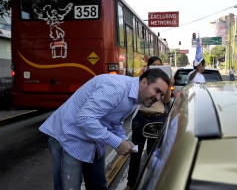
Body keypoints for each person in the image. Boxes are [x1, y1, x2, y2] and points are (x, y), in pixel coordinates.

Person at [39, 69, 170, 190]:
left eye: (161, 94)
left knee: (99, 186)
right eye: (156, 91)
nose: (158, 98)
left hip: (92, 141)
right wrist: (117, 143)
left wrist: (125, 141)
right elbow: (85, 119)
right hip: (68, 138)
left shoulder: (135, 97)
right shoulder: (116, 88)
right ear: (144, 82)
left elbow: (114, 124)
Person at [125, 56, 175, 190]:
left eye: (160, 65)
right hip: (140, 118)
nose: (157, 66)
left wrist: (168, 86)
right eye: (154, 65)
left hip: (157, 120)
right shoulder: (145, 81)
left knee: (153, 154)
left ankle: (154, 182)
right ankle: (131, 184)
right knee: (135, 152)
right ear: (148, 67)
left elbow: (165, 101)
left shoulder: (164, 83)